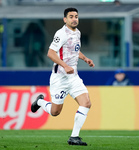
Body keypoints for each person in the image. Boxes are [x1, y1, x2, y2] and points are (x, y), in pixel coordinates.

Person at [31, 8, 95, 146]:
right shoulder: (61, 33)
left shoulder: (77, 32)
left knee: (86, 103)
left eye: (76, 16)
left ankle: (74, 137)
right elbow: (51, 53)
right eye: (71, 16)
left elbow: (74, 50)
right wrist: (65, 65)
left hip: (73, 77)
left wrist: (85, 58)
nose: (74, 19)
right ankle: (40, 102)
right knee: (55, 112)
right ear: (65, 19)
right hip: (60, 78)